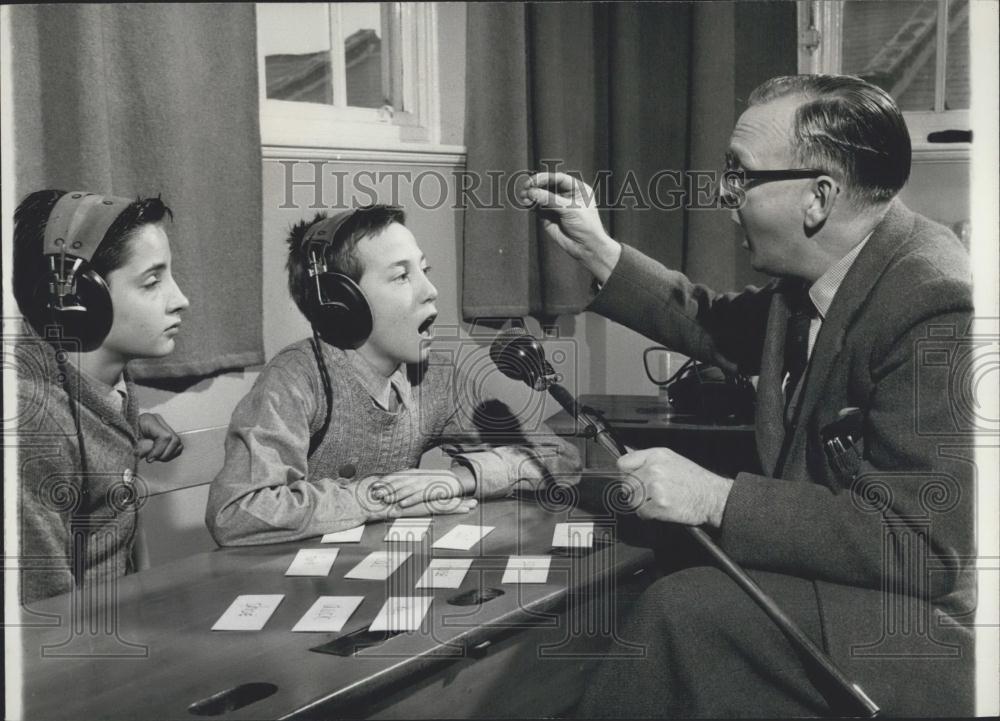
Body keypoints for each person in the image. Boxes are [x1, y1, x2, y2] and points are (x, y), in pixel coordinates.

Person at [522, 75, 975, 717]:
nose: (726, 198)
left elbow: (921, 547)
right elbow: (713, 322)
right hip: (843, 582)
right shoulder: (825, 275)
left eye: (741, 176)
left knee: (684, 613)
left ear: (819, 197)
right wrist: (598, 247)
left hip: (911, 625)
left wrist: (714, 495)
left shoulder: (936, 304)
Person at [206, 205, 581, 546]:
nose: (431, 291)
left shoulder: (434, 379)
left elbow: (559, 458)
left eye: (424, 271)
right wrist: (381, 494)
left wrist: (458, 478)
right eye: (402, 277)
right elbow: (237, 512)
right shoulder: (295, 379)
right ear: (342, 305)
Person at [13, 189, 190, 604]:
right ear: (79, 300)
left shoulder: (105, 380)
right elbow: (41, 618)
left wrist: (126, 421)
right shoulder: (34, 421)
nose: (181, 300)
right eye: (152, 281)